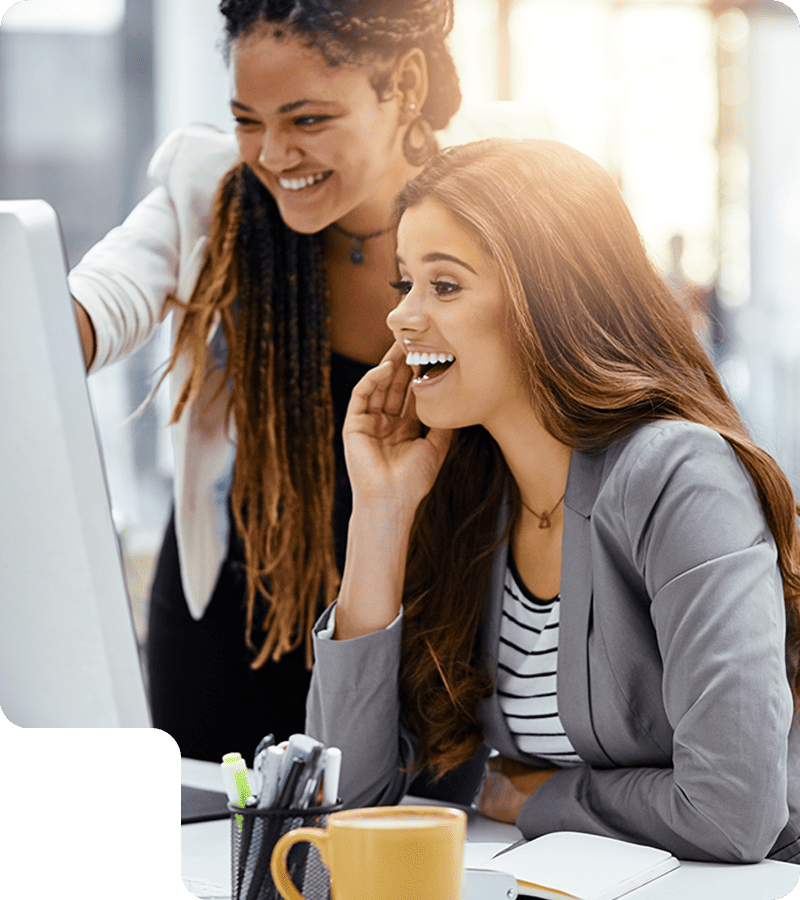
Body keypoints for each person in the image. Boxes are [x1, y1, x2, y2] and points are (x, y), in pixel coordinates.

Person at [306, 137, 800, 863]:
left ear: (549, 298)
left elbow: (732, 814)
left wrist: (540, 799)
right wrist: (379, 512)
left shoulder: (677, 474)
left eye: (444, 286)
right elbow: (344, 803)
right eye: (403, 284)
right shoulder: (473, 493)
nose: (401, 319)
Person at [68, 0, 480, 774]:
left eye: (309, 119)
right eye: (247, 120)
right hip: (237, 621)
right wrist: (41, 328)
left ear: (407, 83)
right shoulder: (212, 193)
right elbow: (95, 302)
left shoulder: (493, 203)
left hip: (426, 625)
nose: (273, 153)